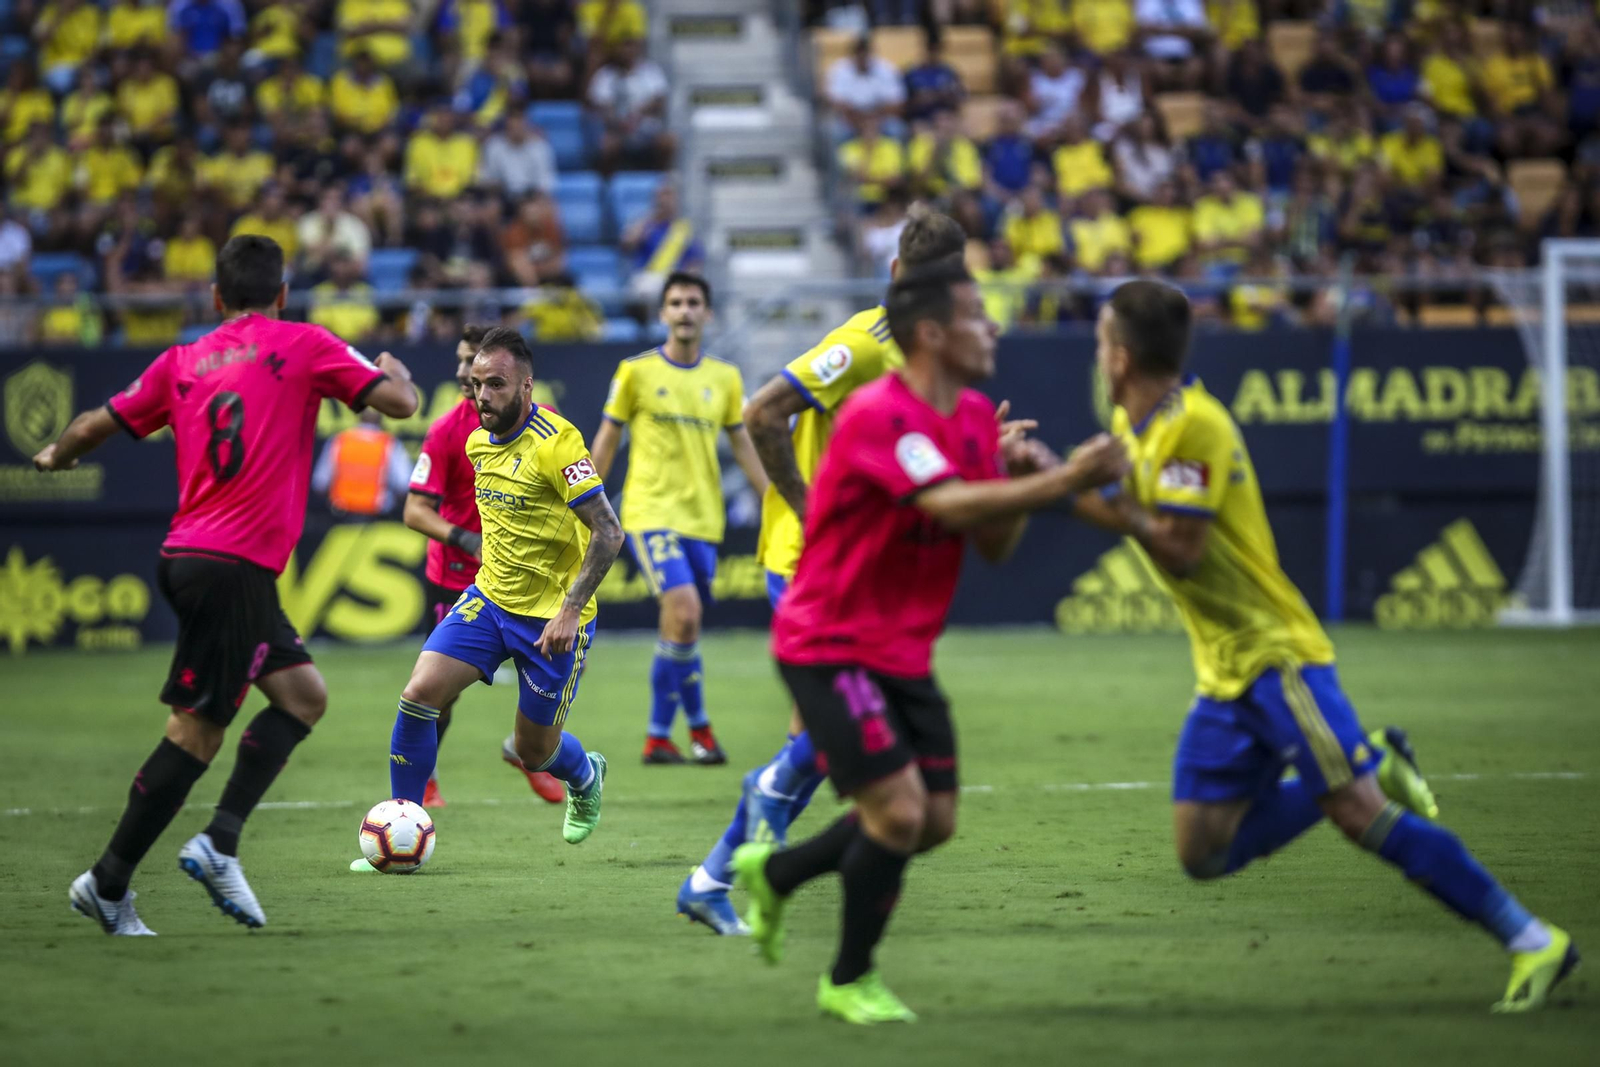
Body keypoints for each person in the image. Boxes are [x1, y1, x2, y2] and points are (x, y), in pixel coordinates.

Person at [1068, 279, 1578, 1014]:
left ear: (1119, 355)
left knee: (1360, 812)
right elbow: (1118, 510)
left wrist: (1101, 490)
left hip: (1278, 660)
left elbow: (1179, 546)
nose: (1097, 357)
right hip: (1224, 674)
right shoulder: (1136, 423)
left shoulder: (1195, 427)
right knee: (1201, 849)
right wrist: (1049, 478)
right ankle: (1375, 755)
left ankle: (1532, 938)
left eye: (1099, 343)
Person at [729, 261, 1130, 1024]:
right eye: (980, 316)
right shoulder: (880, 411)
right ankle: (848, 977)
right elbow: (944, 502)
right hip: (829, 636)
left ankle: (777, 872)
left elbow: (995, 543)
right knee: (902, 813)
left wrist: (1013, 475)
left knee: (933, 819)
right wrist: (1062, 481)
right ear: (933, 335)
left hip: (899, 647)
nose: (995, 329)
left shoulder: (976, 416)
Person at [33, 235, 418, 934]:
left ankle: (217, 841)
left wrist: (58, 452)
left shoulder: (182, 359)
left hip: (197, 558)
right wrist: (396, 369)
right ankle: (114, 878)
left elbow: (100, 421)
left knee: (302, 696)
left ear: (215, 297)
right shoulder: (303, 342)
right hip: (232, 565)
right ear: (282, 292)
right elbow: (395, 403)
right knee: (195, 733)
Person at [674, 208, 962, 935]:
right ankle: (762, 798)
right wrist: (809, 511)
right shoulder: (861, 345)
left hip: (854, 569)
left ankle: (710, 879)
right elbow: (763, 409)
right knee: (851, 736)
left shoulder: (926, 359)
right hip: (810, 566)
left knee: (825, 747)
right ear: (897, 277)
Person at [349, 327, 625, 871]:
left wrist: (570, 609)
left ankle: (586, 774)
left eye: (495, 384)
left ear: (526, 386)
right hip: (489, 601)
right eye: (476, 384)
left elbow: (609, 532)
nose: (482, 396)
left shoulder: (558, 441)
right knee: (419, 693)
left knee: (533, 750)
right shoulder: (476, 441)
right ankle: (400, 825)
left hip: (552, 620)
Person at [589, 273, 769, 767]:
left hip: (703, 519)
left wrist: (775, 500)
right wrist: (585, 501)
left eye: (694, 302)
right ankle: (702, 729)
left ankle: (659, 738)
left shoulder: (726, 378)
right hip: (650, 511)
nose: (685, 310)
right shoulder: (635, 372)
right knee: (685, 611)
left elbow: (744, 445)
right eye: (676, 302)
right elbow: (607, 438)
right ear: (663, 313)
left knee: (680, 627)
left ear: (707, 314)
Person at [401, 324, 566, 808]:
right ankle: (424, 781)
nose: (462, 372)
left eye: (472, 361)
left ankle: (524, 751)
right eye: (461, 362)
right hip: (458, 579)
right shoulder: (447, 430)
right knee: (437, 694)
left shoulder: (549, 429)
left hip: (532, 588)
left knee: (544, 701)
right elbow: (414, 510)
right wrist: (464, 538)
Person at [311, 407, 413, 517]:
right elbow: (403, 485)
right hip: (377, 516)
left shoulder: (340, 441)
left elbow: (320, 484)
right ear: (382, 418)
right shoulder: (390, 445)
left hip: (340, 514)